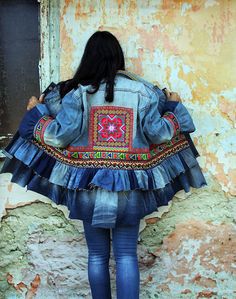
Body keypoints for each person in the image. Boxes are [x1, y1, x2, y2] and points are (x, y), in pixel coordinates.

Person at [0, 31, 207, 299]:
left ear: (88, 59)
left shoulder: (78, 95)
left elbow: (59, 136)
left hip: (89, 189)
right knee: (126, 256)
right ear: (118, 58)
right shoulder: (143, 93)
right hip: (130, 189)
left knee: (97, 256)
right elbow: (160, 134)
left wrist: (36, 113)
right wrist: (174, 108)